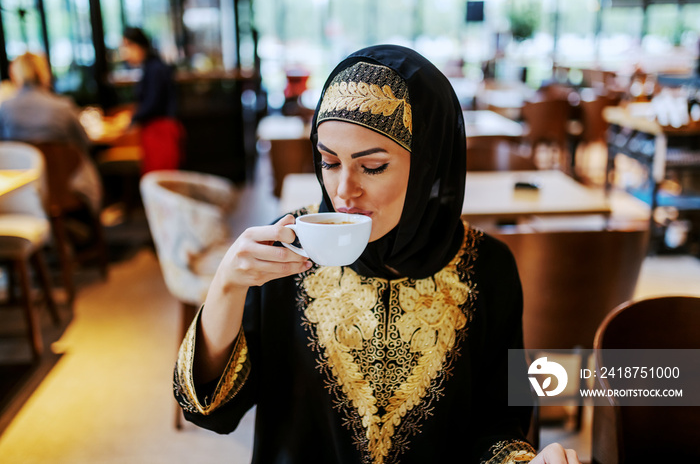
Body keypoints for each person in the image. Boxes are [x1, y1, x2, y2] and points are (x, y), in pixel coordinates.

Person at [173, 45, 580, 464]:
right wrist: (225, 288)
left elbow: (500, 425)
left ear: (427, 166)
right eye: (329, 162)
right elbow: (210, 409)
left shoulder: (486, 266)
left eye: (372, 167)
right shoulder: (288, 249)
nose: (344, 192)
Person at [0, 52, 102, 212]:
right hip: (67, 186)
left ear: (14, 74)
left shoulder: (4, 109)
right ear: (44, 72)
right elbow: (85, 143)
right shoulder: (63, 106)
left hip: (25, 188)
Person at [120, 27, 182, 174]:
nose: (124, 53)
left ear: (138, 46)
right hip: (155, 131)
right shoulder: (151, 67)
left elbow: (153, 103)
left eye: (126, 47)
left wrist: (132, 118)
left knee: (160, 178)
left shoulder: (155, 69)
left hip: (160, 132)